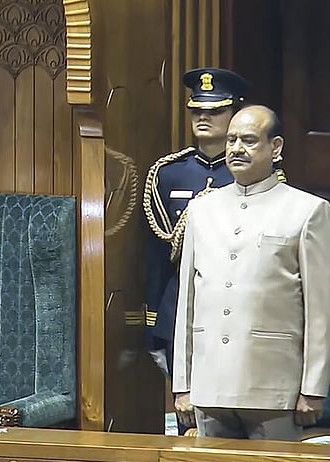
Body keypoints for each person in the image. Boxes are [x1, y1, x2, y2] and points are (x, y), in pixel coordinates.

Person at [172, 105, 330, 441]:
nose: (236, 148)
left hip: (274, 388)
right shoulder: (202, 209)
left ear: (275, 147)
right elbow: (187, 302)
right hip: (209, 384)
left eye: (248, 140)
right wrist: (183, 384)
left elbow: (321, 309)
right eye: (231, 140)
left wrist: (313, 388)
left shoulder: (307, 210)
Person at [142, 68, 255, 433]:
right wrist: (152, 322)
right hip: (180, 307)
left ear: (235, 112)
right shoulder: (169, 174)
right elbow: (158, 256)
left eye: (216, 110)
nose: (204, 117)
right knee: (186, 425)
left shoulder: (250, 175)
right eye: (197, 111)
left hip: (233, 306)